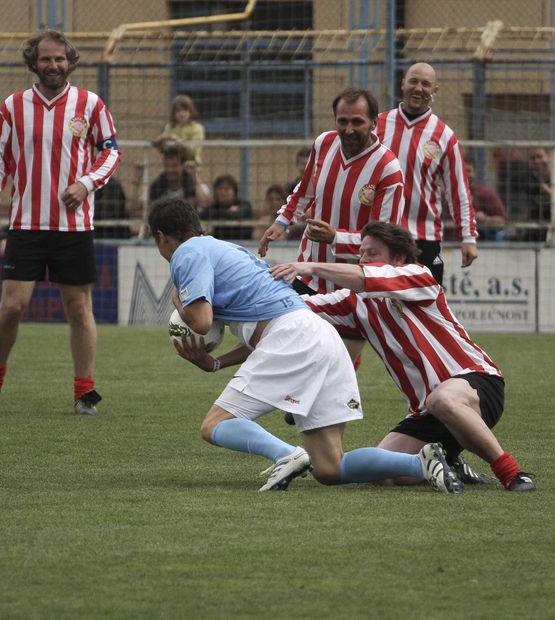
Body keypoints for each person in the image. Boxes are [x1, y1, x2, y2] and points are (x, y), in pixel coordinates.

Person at [148, 197, 463, 494]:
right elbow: (263, 330)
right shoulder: (227, 249)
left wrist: (178, 297)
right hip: (317, 334)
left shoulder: (186, 253)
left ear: (161, 237)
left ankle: (286, 454)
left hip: (293, 336)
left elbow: (201, 321)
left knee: (214, 425)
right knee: (330, 467)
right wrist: (214, 363)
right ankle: (421, 462)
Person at [270, 221, 535, 492]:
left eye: (372, 253)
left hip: (477, 383)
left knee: (442, 399)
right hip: (426, 411)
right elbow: (295, 307)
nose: (363, 259)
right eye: (361, 252)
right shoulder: (354, 301)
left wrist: (310, 267)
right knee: (383, 473)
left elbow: (365, 276)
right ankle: (450, 461)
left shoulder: (419, 275)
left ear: (399, 258)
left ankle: (511, 473)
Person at [0, 29, 121, 416]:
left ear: (70, 61)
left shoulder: (90, 104)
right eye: (45, 59)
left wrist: (85, 184)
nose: (53, 65)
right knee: (13, 306)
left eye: (59, 59)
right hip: (27, 225)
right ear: (33, 63)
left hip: (74, 227)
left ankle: (85, 391)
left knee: (79, 307)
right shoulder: (12, 106)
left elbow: (111, 154)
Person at [259, 87, 405, 298]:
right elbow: (305, 190)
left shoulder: (387, 168)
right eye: (342, 121)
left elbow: (384, 239)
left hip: (355, 285)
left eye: (357, 122)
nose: (348, 129)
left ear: (374, 122)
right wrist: (282, 221)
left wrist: (336, 238)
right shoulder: (324, 143)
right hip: (308, 274)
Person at [376, 62, 478, 286]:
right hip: (380, 234)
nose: (418, 88)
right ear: (402, 84)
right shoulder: (378, 125)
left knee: (425, 311)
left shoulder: (445, 136)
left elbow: (458, 191)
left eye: (425, 84)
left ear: (435, 91)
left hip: (424, 239)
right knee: (376, 307)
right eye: (413, 81)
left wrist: (468, 237)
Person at [152, 94, 205, 165]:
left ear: (191, 111)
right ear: (173, 113)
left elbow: (193, 152)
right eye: (178, 110)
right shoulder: (170, 126)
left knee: (189, 164)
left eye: (185, 110)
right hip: (172, 163)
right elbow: (164, 149)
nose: (182, 114)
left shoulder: (197, 128)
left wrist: (178, 141)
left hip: (190, 163)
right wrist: (159, 141)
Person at [464, 156, 506, 242]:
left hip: (480, 243)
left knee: (498, 235)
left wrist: (485, 219)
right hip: (451, 243)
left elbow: (502, 221)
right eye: (462, 170)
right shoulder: (446, 195)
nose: (465, 174)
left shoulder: (486, 194)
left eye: (468, 171)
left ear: (475, 173)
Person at [204, 173, 253, 240]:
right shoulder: (213, 207)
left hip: (242, 243)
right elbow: (204, 214)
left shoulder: (244, 204)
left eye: (227, 189)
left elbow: (239, 214)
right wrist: (227, 212)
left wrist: (224, 214)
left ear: (234, 192)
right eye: (220, 189)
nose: (223, 192)